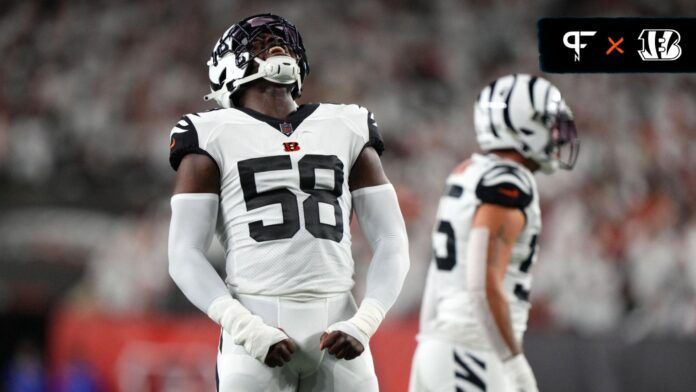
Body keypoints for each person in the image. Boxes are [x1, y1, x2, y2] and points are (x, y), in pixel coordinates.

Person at [166, 14, 410, 392]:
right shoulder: (207, 133)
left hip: (340, 326)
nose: (275, 46)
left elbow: (392, 240)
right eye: (260, 42)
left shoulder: (346, 123)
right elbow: (184, 254)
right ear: (227, 66)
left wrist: (364, 322)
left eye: (281, 40)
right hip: (255, 330)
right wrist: (245, 328)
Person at [409, 74, 580, 392]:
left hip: (449, 345)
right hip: (471, 349)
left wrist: (430, 341)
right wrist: (514, 364)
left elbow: (438, 278)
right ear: (522, 126)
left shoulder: (469, 172)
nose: (558, 133)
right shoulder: (508, 183)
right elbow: (481, 285)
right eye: (548, 121)